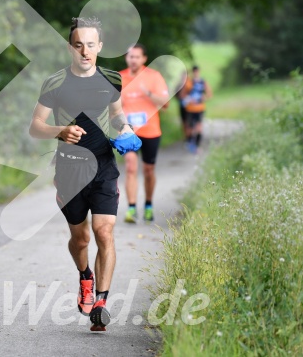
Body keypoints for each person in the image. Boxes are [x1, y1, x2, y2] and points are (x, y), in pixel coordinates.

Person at [29, 17, 141, 331]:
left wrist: (126, 128)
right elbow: (35, 126)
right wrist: (59, 131)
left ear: (99, 47)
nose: (85, 51)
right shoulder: (54, 83)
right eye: (78, 45)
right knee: (81, 239)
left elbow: (117, 114)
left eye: (90, 45)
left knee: (104, 232)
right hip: (68, 170)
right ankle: (85, 277)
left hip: (104, 167)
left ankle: (101, 304)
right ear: (70, 47)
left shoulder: (111, 78)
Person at [120, 44, 170, 223]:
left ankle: (148, 205)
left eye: (136, 56)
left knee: (149, 170)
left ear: (144, 59)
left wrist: (148, 93)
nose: (132, 59)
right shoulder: (120, 77)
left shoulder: (153, 77)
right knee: (130, 166)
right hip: (128, 131)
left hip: (150, 130)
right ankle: (131, 208)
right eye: (130, 56)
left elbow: (165, 104)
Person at [180, 66, 212, 154]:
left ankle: (197, 146)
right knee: (189, 127)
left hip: (200, 108)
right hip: (190, 109)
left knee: (199, 127)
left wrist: (203, 97)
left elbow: (209, 94)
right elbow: (182, 95)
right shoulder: (188, 82)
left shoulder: (203, 82)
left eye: (197, 72)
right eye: (194, 72)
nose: (196, 73)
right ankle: (189, 142)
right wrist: (188, 98)